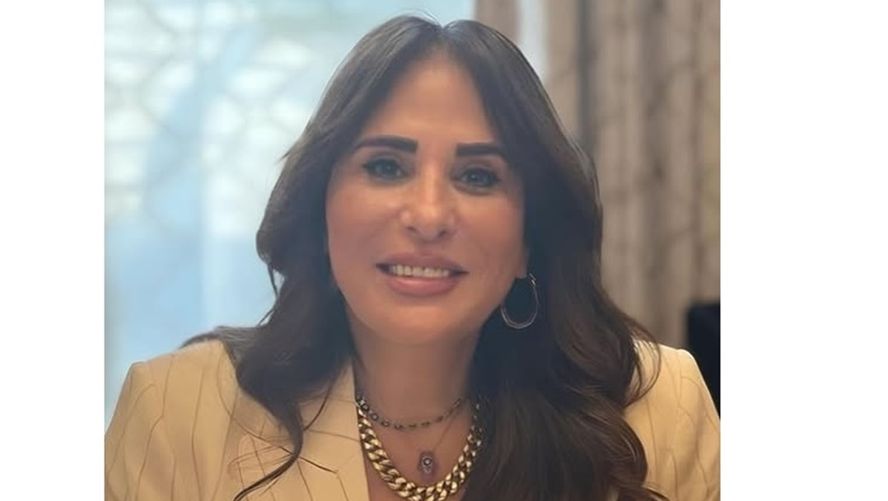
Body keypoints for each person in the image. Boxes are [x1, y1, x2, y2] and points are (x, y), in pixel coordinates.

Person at [105, 15, 719, 501]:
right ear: (321, 209)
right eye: (385, 166)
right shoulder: (175, 412)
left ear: (530, 238)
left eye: (478, 176)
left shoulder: (659, 410)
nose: (428, 215)